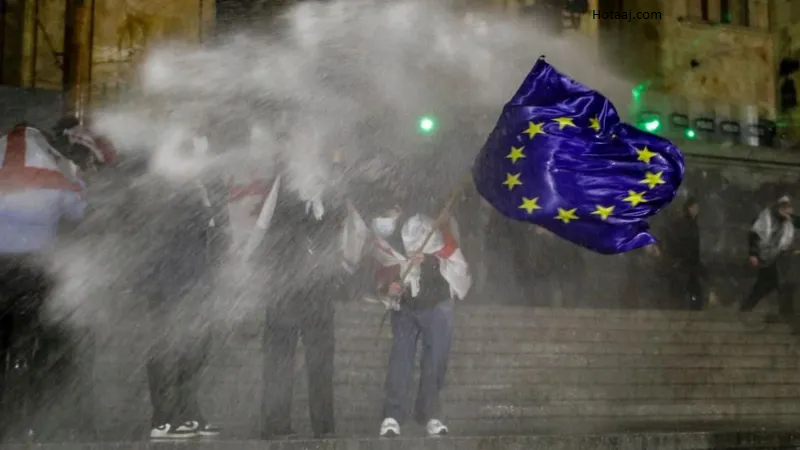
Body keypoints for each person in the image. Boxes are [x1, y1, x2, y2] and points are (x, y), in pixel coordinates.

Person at [0, 123, 89, 440]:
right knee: (25, 342)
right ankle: (22, 421)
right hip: (34, 270)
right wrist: (75, 176)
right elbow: (79, 211)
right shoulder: (54, 178)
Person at [253, 162, 349, 440]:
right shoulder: (282, 202)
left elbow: (339, 244)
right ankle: (275, 425)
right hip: (283, 296)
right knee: (278, 364)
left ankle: (324, 426)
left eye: (319, 180)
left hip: (318, 299)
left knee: (321, 366)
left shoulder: (331, 209)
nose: (314, 184)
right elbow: (264, 231)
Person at [367, 198, 471, 438]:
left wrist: (430, 261)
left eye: (393, 210)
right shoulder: (387, 241)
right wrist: (390, 287)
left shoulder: (434, 232)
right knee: (400, 360)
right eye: (388, 213)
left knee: (435, 361)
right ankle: (393, 415)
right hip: (405, 307)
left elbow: (453, 262)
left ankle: (430, 414)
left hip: (437, 305)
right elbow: (384, 271)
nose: (389, 217)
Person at [740, 196, 798, 316]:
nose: (787, 211)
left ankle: (786, 312)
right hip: (765, 255)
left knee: (781, 284)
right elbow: (754, 235)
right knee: (765, 285)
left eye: (788, 208)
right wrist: (753, 254)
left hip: (779, 259)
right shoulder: (766, 218)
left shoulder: (788, 220)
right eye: (784, 208)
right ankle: (746, 309)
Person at [663, 197, 705, 310]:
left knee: (691, 289)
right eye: (694, 208)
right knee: (686, 289)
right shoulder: (685, 224)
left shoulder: (691, 224)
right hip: (684, 262)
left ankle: (688, 310)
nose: (697, 210)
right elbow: (683, 243)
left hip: (688, 262)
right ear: (689, 208)